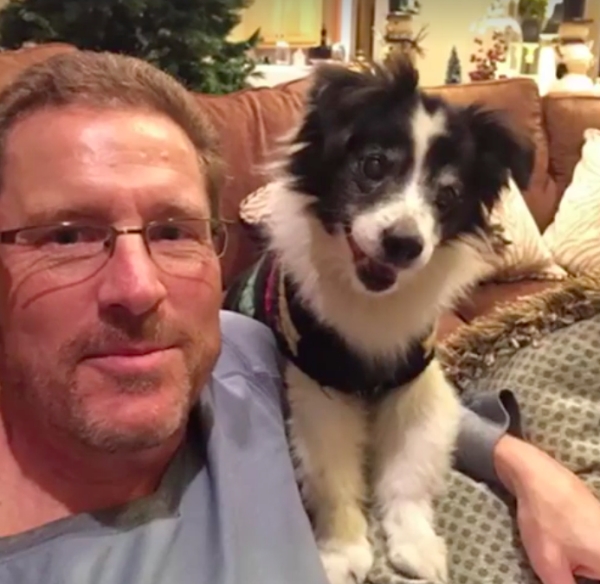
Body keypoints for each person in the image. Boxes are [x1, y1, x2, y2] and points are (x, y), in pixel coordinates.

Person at [0, 50, 597, 584]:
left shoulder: (242, 345)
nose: (138, 288)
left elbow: (394, 384)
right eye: (68, 235)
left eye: (173, 231)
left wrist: (532, 473)